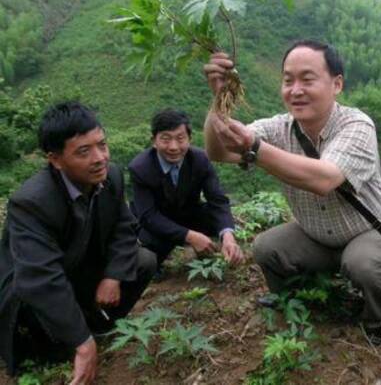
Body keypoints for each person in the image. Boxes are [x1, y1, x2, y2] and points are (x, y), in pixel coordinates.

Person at [203, 40, 381, 344]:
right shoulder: (280, 127)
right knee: (267, 247)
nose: (295, 89)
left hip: (364, 231)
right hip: (315, 234)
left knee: (365, 265)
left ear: (337, 84)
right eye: (288, 80)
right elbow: (218, 151)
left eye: (307, 79)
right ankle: (296, 300)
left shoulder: (357, 125)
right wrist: (219, 99)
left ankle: (379, 321)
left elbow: (324, 179)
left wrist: (255, 149)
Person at [0, 102, 156, 383]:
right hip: (32, 287)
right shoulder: (31, 203)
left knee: (143, 260)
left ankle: (95, 328)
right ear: (55, 159)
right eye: (84, 151)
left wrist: (113, 276)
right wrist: (80, 341)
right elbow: (41, 278)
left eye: (102, 145)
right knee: (34, 307)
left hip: (78, 267)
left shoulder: (112, 177)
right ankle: (63, 343)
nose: (100, 158)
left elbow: (124, 226)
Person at [128, 109, 243, 269]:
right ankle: (158, 264)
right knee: (150, 248)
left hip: (187, 213)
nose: (174, 147)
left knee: (217, 220)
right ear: (154, 141)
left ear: (189, 138)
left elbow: (217, 200)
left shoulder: (200, 159)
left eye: (180, 139)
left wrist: (227, 235)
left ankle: (219, 246)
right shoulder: (140, 168)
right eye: (165, 139)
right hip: (157, 222)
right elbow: (149, 216)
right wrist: (190, 236)